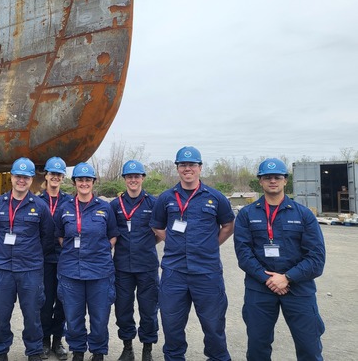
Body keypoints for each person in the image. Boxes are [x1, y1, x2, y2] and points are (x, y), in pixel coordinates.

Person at [234, 158, 326, 360]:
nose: (272, 181)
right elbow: (243, 254)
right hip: (259, 288)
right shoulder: (246, 215)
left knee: (309, 347)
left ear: (285, 180)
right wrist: (268, 279)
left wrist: (287, 277)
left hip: (299, 288)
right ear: (260, 181)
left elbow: (316, 258)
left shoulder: (303, 215)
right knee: (258, 347)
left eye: (277, 177)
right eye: (267, 177)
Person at [150, 146, 235, 361]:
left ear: (200, 168)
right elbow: (157, 226)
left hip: (207, 272)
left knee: (214, 324)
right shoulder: (166, 197)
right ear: (177, 168)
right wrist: (174, 241)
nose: (188, 168)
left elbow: (228, 224)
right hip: (174, 272)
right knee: (171, 324)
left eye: (192, 165)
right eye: (183, 165)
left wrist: (211, 245)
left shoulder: (215, 197)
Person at [0, 157, 53, 361]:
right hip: (3, 269)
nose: (21, 180)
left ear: (32, 180)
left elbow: (47, 238)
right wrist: (1, 255)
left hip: (30, 270)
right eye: (18, 176)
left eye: (26, 177)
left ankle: (34, 351)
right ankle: (0, 351)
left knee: (32, 315)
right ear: (11, 177)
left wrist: (32, 255)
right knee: (1, 315)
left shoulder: (40, 206)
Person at [54, 162, 119, 361]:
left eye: (87, 180)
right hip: (71, 271)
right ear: (74, 183)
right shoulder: (64, 208)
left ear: (93, 182)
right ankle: (78, 351)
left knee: (99, 318)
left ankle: (98, 352)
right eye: (80, 179)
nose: (84, 183)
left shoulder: (104, 208)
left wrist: (97, 251)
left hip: (99, 272)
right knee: (73, 317)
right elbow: (61, 236)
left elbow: (113, 236)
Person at [110, 160, 159, 361]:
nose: (133, 180)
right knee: (123, 309)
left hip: (146, 265)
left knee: (148, 309)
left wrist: (145, 245)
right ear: (124, 179)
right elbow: (111, 232)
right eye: (129, 176)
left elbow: (159, 232)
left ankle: (147, 349)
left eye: (137, 176)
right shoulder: (115, 205)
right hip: (122, 266)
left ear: (142, 178)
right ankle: (127, 348)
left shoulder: (153, 203)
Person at [37, 157, 74, 360]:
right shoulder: (37, 200)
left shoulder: (69, 201)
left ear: (62, 177)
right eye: (52, 174)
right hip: (43, 260)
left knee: (62, 302)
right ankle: (43, 340)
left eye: (59, 174)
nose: (55, 177)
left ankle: (57, 340)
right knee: (45, 302)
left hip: (64, 258)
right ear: (46, 175)